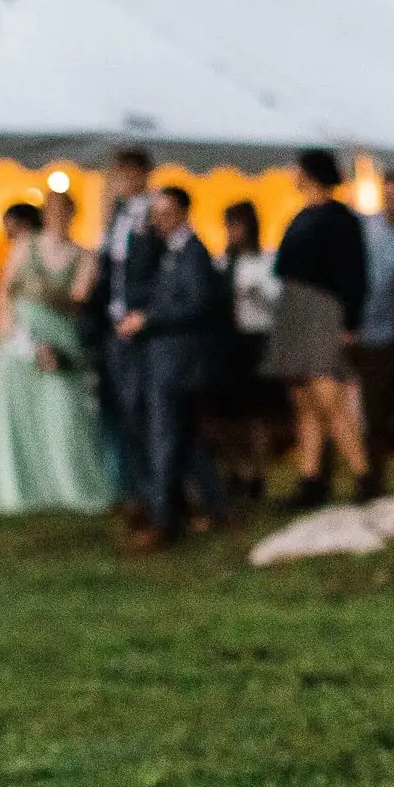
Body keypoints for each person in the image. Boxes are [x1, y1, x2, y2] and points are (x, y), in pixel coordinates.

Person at [0, 196, 113, 515]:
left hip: (61, 342)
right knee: (19, 419)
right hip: (21, 343)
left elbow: (78, 300)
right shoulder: (26, 246)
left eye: (65, 211)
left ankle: (69, 488)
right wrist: (18, 342)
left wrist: (43, 293)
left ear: (72, 215)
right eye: (53, 212)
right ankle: (19, 492)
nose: (59, 218)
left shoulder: (84, 255)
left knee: (63, 416)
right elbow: (5, 295)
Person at [117, 185, 231, 549]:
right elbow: (138, 281)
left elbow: (197, 305)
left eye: (165, 213)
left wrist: (149, 319)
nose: (158, 220)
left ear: (182, 212)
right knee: (182, 438)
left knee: (166, 436)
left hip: (179, 361)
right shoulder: (167, 251)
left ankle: (163, 520)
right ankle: (216, 505)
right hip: (168, 358)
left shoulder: (194, 254)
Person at [266, 149, 375, 508]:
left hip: (322, 311)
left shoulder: (340, 218)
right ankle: (310, 479)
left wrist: (350, 321)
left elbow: (354, 273)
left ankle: (363, 473)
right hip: (296, 310)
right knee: (305, 402)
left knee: (330, 397)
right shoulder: (304, 215)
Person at [91, 146, 164, 519]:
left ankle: (155, 496)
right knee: (122, 411)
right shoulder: (116, 216)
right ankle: (134, 491)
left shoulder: (153, 214)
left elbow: (161, 273)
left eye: (124, 174)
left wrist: (144, 313)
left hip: (140, 330)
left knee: (142, 413)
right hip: (115, 328)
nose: (118, 181)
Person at [213, 200, 287, 500]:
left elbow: (278, 304)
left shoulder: (267, 260)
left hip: (258, 339)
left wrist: (256, 294)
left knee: (259, 413)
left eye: (238, 224)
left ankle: (258, 473)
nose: (233, 232)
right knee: (229, 414)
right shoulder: (222, 264)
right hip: (230, 342)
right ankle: (232, 472)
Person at [355, 175, 394, 472]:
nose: (391, 201)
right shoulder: (363, 228)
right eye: (386, 194)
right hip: (356, 327)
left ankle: (372, 474)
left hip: (388, 333)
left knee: (377, 409)